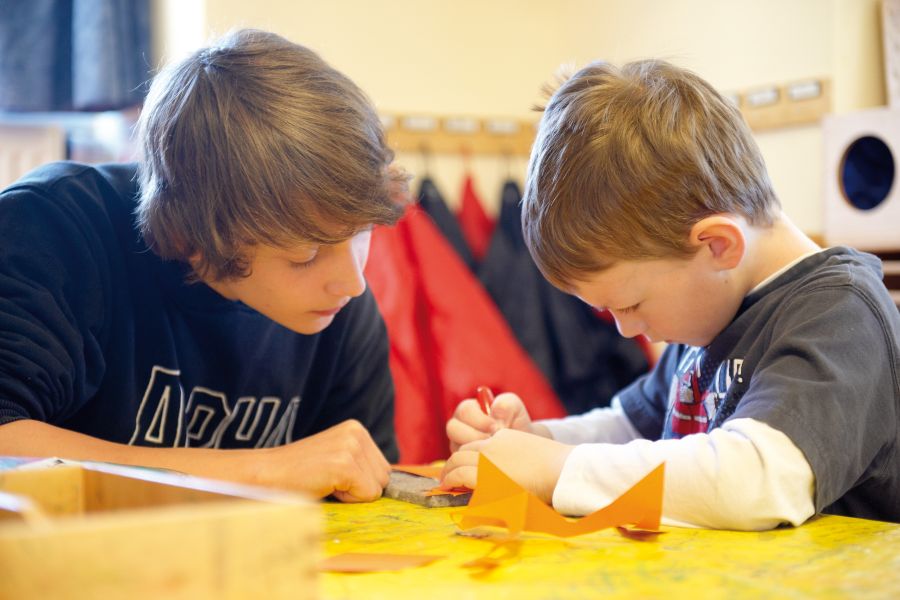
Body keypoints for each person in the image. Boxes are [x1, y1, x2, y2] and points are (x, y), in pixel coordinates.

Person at [441, 59, 900, 529]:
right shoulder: (708, 312)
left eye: (631, 304)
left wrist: (556, 468)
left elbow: (752, 482)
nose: (625, 327)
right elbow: (631, 428)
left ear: (717, 245)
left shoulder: (841, 314)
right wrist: (534, 439)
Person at [0, 29, 410, 503]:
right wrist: (258, 472)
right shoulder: (52, 229)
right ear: (189, 239)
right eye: (304, 256)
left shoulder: (338, 303)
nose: (354, 282)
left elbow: (360, 493)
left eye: (360, 233)